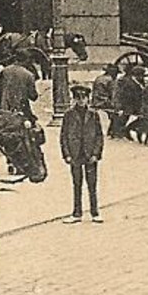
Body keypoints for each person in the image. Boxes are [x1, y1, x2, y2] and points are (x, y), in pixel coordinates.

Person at [59, 84, 104, 223]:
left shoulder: (94, 115)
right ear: (74, 99)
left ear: (87, 99)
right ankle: (77, 213)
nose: (81, 101)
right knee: (77, 184)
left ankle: (95, 212)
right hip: (75, 153)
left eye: (83, 98)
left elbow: (99, 136)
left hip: (90, 153)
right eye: (78, 98)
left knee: (92, 184)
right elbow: (64, 136)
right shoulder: (69, 115)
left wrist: (96, 153)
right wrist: (66, 154)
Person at [0, 53, 39, 122]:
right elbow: (33, 96)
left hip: (3, 108)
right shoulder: (29, 75)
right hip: (21, 109)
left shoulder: (4, 71)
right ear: (26, 61)